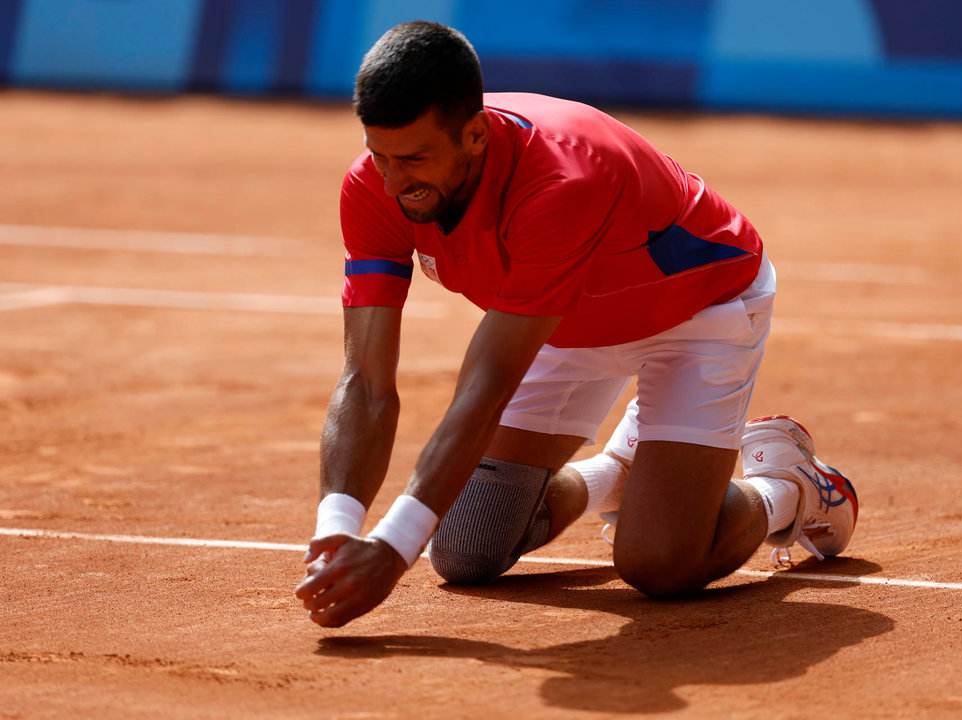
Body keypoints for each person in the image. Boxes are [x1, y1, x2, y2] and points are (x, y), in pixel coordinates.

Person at [294, 21, 858, 628]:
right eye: (379, 155)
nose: (392, 181)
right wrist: (339, 530)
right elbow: (366, 381)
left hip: (697, 308)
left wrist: (391, 549)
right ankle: (620, 473)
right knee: (467, 549)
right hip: (561, 320)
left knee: (661, 564)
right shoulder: (376, 186)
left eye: (413, 159)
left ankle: (790, 488)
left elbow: (486, 388)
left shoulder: (564, 181)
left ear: (476, 134)